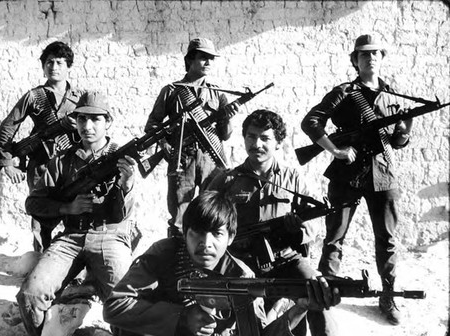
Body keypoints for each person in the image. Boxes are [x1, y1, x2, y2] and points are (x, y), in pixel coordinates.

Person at [103, 190, 340, 336]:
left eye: (216, 234)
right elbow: (115, 306)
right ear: (184, 233)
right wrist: (181, 318)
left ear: (231, 238)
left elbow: (257, 334)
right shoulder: (164, 254)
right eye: (197, 232)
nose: (206, 243)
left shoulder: (241, 276)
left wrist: (301, 308)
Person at [300, 34, 413, 325]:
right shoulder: (344, 92)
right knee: (335, 237)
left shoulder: (395, 95)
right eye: (364, 55)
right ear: (355, 61)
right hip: (347, 175)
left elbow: (397, 142)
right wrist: (336, 150)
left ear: (382, 58)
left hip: (383, 173)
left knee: (386, 239)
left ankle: (388, 295)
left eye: (375, 53)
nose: (371, 58)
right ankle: (324, 294)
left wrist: (403, 132)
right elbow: (311, 122)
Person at [207, 109, 337, 336]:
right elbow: (203, 222)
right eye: (251, 136)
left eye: (265, 138)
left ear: (278, 143)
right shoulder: (226, 180)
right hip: (238, 263)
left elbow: (313, 225)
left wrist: (297, 232)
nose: (256, 143)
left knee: (318, 291)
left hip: (284, 260)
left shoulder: (292, 179)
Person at [17, 91, 136, 336]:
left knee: (126, 302)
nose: (87, 126)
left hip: (110, 237)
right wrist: (66, 208)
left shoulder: (122, 159)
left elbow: (125, 214)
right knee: (30, 294)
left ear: (108, 122)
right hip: (71, 237)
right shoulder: (61, 161)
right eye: (82, 119)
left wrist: (127, 184)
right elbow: (33, 203)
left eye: (95, 120)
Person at [144, 37, 240, 236]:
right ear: (190, 60)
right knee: (180, 217)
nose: (208, 63)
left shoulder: (217, 94)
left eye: (211, 59)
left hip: (210, 159)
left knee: (210, 215)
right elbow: (152, 124)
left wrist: (227, 118)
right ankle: (177, 262)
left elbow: (225, 135)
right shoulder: (172, 91)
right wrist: (164, 145)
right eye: (203, 58)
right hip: (182, 158)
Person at [0, 41, 82, 252]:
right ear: (43, 66)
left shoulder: (80, 98)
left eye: (60, 62)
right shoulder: (34, 96)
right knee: (41, 215)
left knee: (75, 213)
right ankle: (40, 261)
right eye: (49, 62)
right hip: (41, 165)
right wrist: (7, 164)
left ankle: (70, 261)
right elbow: (7, 128)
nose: (54, 66)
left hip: (70, 165)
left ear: (68, 66)